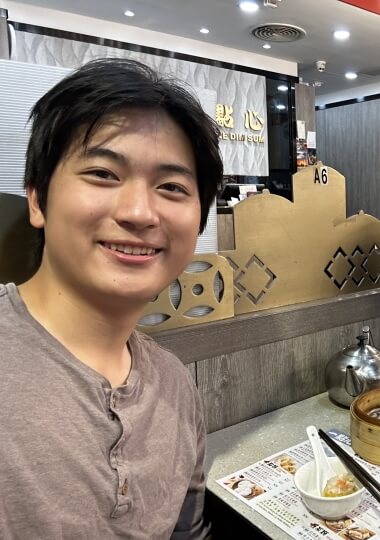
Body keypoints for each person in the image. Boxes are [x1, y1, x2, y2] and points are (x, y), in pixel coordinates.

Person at [0, 58, 223, 538]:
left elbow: (188, 531)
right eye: (103, 173)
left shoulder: (175, 385)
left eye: (171, 187)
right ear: (37, 199)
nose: (140, 212)